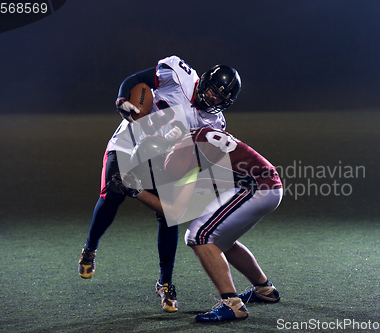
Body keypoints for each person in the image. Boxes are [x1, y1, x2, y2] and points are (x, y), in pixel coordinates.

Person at [78, 55, 242, 313]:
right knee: (113, 193)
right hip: (129, 140)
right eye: (211, 92)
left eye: (220, 99)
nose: (212, 100)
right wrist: (123, 100)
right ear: (205, 82)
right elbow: (136, 81)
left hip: (161, 157)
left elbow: (201, 156)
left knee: (168, 215)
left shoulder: (214, 123)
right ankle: (90, 248)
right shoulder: (179, 74)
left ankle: (165, 282)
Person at [112, 127, 283, 322]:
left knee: (198, 235)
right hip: (261, 183)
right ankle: (264, 290)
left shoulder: (176, 159)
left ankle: (233, 305)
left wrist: (137, 192)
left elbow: (175, 213)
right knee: (220, 239)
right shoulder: (185, 141)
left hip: (256, 187)